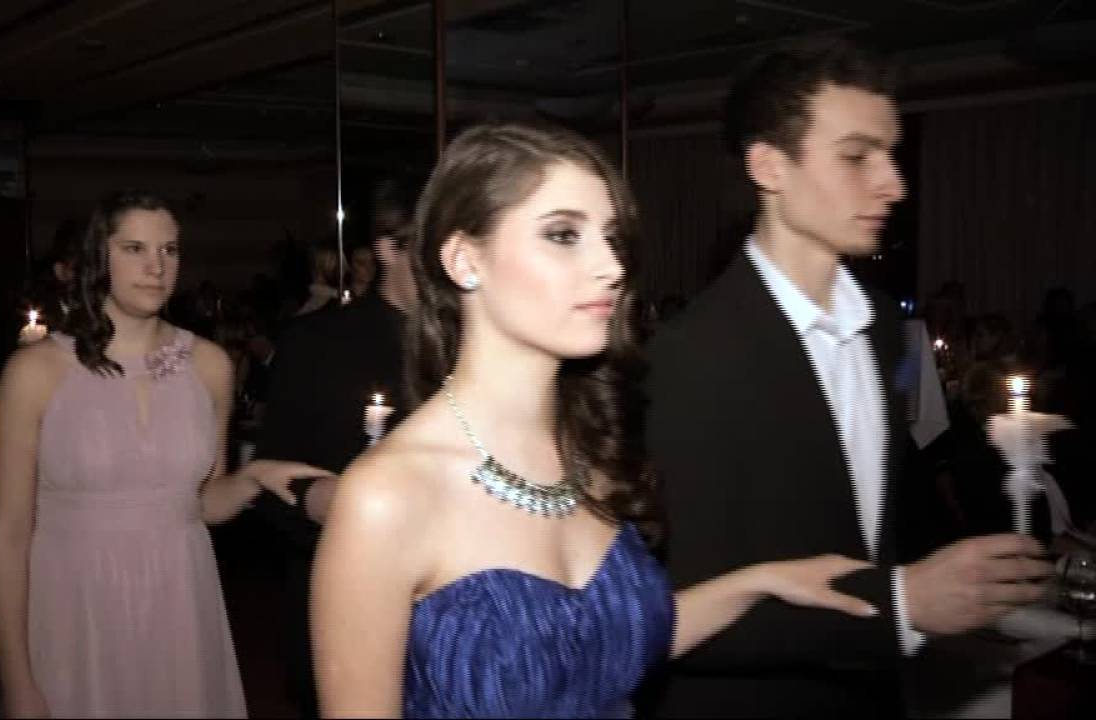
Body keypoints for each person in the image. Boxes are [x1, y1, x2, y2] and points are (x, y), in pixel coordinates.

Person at [310, 123, 882, 718]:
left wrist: (757, 583)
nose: (611, 266)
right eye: (563, 235)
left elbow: (599, 650)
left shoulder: (593, 451)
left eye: (612, 239)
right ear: (464, 259)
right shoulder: (386, 496)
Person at [646, 40, 1052, 717]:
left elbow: (874, 528)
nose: (894, 184)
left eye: (891, 155)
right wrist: (902, 604)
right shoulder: (690, 356)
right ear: (770, 166)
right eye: (857, 156)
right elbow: (674, 617)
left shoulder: (887, 330)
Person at [0, 190, 320, 718]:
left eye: (169, 250)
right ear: (99, 257)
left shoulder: (209, 364)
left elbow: (202, 503)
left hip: (179, 605)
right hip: (75, 610)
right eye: (135, 249)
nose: (156, 266)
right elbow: (6, 536)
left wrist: (255, 477)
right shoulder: (34, 372)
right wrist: (15, 677)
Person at [251, 174, 422, 717]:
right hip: (351, 609)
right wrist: (317, 499)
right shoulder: (318, 343)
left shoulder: (485, 343)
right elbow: (268, 479)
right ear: (390, 248)